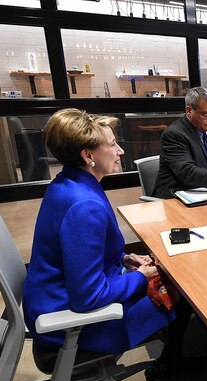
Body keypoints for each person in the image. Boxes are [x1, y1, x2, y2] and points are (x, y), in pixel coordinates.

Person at [23, 108, 181, 356]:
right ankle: (173, 364)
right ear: (88, 155)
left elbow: (77, 252)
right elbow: (89, 297)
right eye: (112, 144)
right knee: (183, 291)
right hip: (73, 324)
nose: (121, 151)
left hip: (53, 297)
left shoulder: (68, 182)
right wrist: (140, 277)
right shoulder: (85, 206)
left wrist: (122, 259)